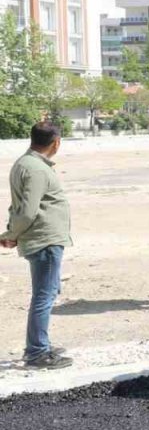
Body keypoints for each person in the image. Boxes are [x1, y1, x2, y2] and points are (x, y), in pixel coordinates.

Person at [2, 122, 73, 370]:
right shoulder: (36, 169)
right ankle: (36, 353)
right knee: (44, 296)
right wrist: (11, 233)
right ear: (56, 143)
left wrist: (13, 232)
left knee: (48, 293)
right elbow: (29, 211)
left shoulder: (25, 163)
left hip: (41, 239)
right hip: (45, 240)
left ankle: (40, 344)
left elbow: (19, 207)